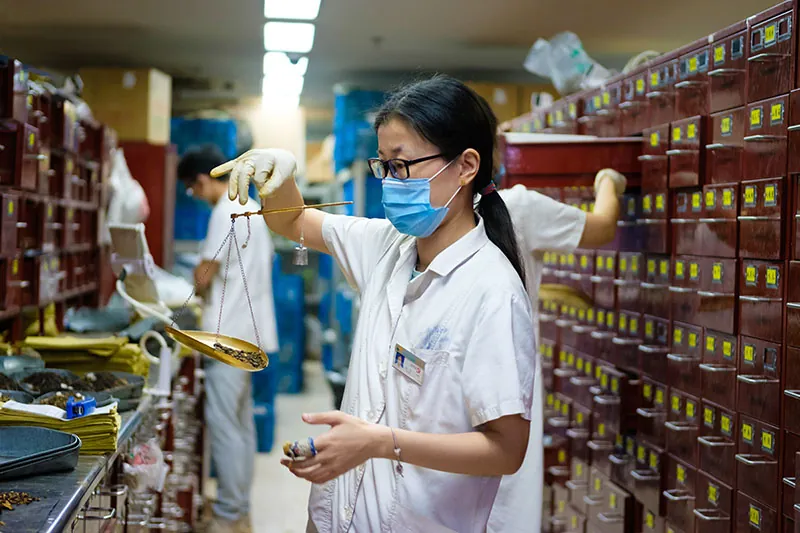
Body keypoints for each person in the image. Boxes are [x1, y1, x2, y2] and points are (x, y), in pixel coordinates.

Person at [214, 75, 536, 533]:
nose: (390, 183)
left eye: (402, 166)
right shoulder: (390, 246)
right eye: (383, 166)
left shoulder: (492, 293)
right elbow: (295, 223)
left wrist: (380, 443)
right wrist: (281, 172)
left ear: (466, 167)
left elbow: (506, 449)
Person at [488, 166, 626, 533]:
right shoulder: (520, 206)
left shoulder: (508, 209)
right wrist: (608, 181)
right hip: (507, 387)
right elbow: (603, 225)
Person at [177, 145, 280, 533]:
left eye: (193, 188)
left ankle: (228, 512)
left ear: (202, 181)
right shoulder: (251, 206)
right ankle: (239, 508)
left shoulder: (224, 212)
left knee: (224, 424)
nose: (195, 196)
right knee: (240, 424)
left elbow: (205, 274)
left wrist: (192, 285)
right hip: (250, 335)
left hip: (227, 336)